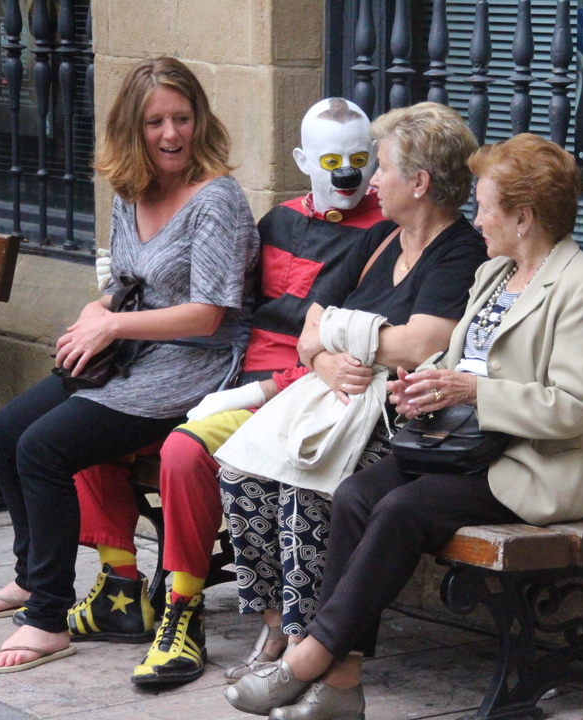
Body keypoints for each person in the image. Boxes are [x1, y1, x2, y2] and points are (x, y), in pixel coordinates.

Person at [224, 134, 583, 720]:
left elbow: (572, 408)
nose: (477, 219)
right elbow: (456, 360)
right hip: (461, 446)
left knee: (401, 510)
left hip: (528, 464)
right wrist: (420, 383)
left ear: (524, 217)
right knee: (356, 494)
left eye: (486, 207)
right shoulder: (495, 273)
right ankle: (342, 684)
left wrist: (473, 391)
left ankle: (311, 659)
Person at [66, 98, 386, 686]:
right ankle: (120, 587)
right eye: (331, 160)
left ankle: (183, 610)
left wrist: (248, 394)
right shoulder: (278, 221)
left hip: (301, 395)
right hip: (226, 375)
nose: (347, 174)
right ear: (302, 161)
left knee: (184, 452)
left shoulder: (384, 235)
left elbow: (351, 354)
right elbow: (225, 309)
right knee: (89, 428)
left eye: (360, 160)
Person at [0, 57, 261, 673]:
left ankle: (48, 617)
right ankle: (31, 575)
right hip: (130, 358)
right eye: (155, 122)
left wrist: (113, 326)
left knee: (44, 449)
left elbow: (208, 314)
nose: (171, 134)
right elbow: (126, 286)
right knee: (3, 433)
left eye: (182, 118)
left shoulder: (217, 200)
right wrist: (94, 311)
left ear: (200, 120)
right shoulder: (131, 191)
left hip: (193, 368)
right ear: (133, 129)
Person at [217, 102, 489, 689]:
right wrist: (325, 358)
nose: (371, 180)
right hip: (334, 404)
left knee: (305, 485)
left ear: (419, 183)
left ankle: (307, 641)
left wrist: (339, 338)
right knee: (242, 471)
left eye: (382, 166)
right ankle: (276, 625)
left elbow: (421, 343)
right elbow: (310, 325)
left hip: (398, 424)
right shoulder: (381, 239)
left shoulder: (461, 253)